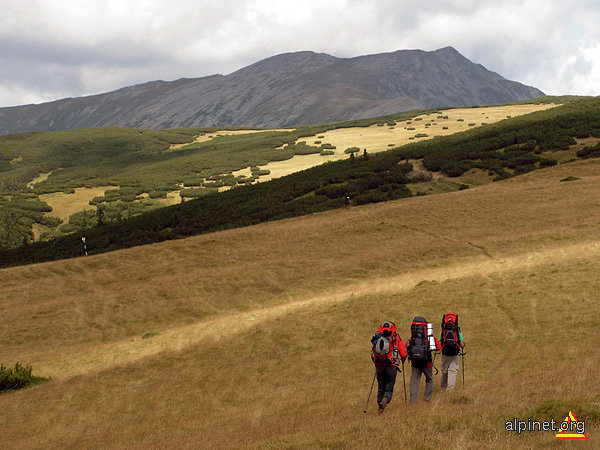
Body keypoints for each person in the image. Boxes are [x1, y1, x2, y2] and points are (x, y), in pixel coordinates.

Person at [370, 321, 407, 413]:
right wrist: (402, 360)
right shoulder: (396, 337)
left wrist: (376, 363)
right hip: (391, 365)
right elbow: (403, 353)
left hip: (379, 365)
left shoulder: (378, 337)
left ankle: (380, 405)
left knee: (380, 387)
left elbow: (373, 353)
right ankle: (384, 402)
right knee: (389, 388)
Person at [406, 316, 441, 403]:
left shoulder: (412, 339)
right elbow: (439, 347)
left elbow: (406, 346)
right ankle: (427, 399)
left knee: (414, 381)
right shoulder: (429, 338)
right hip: (427, 362)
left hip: (415, 362)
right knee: (429, 379)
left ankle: (413, 401)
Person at [439, 313, 465, 392]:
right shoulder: (457, 331)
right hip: (455, 354)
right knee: (452, 371)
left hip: (445, 354)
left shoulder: (443, 331)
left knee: (444, 371)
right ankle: (449, 390)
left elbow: (440, 343)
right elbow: (462, 344)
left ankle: (442, 388)